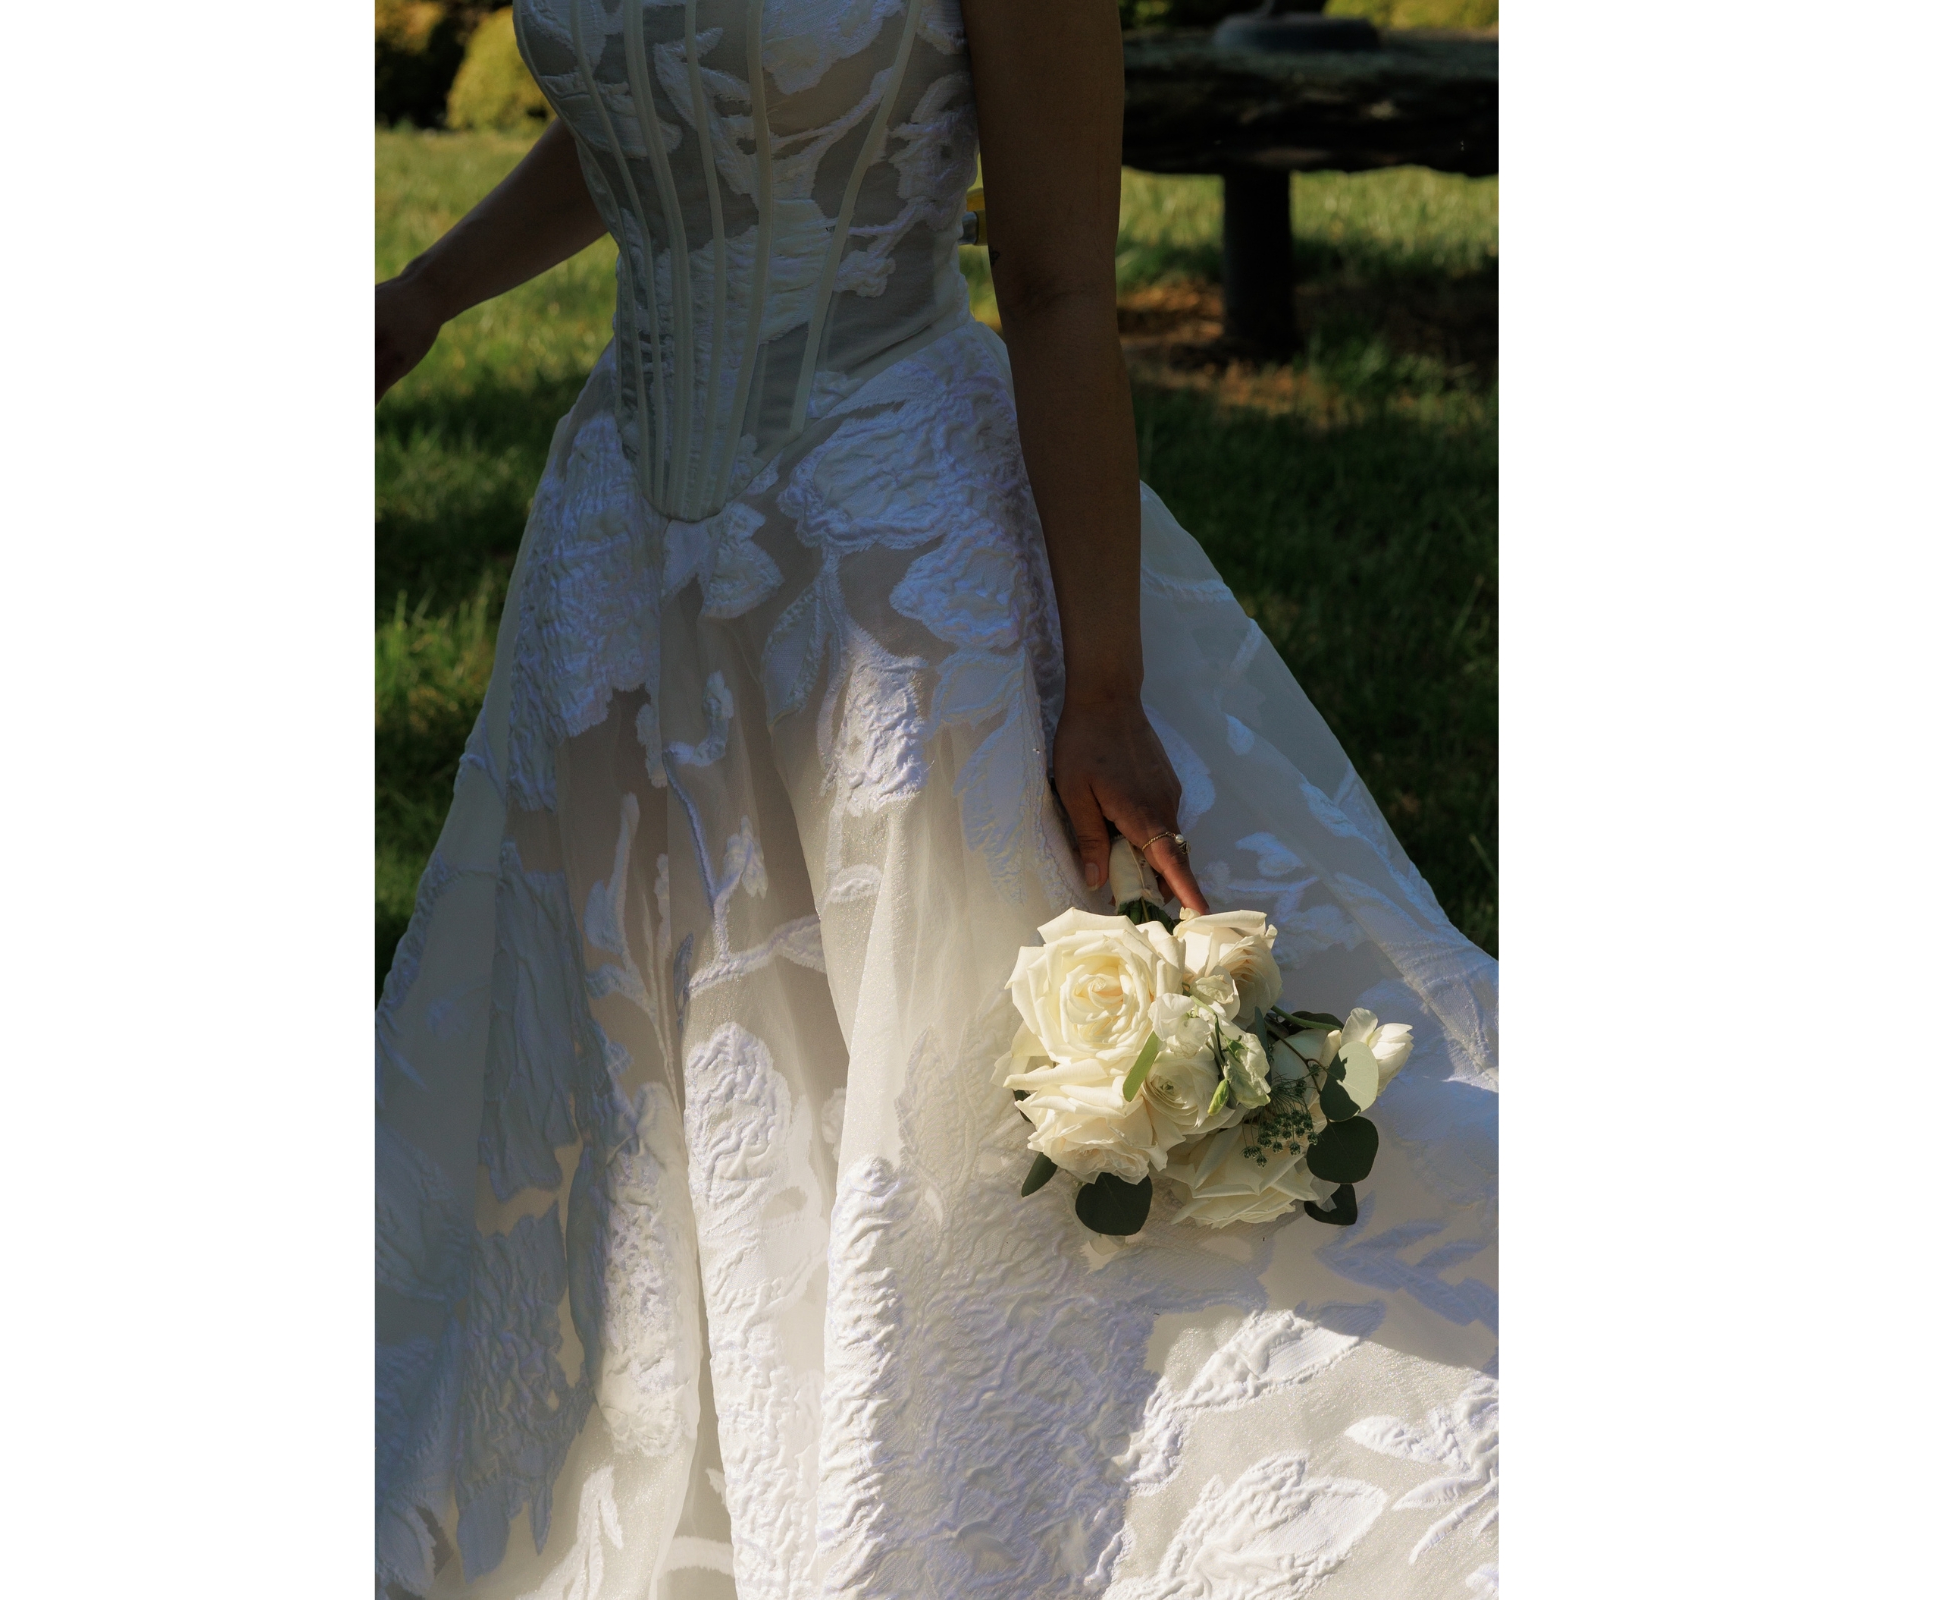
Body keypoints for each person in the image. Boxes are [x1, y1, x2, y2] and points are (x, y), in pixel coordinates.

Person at [374, 2, 1499, 1595]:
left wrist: (1100, 686)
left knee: (924, 1073)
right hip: (620, 559)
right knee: (627, 1066)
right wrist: (427, 293)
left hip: (889, 561)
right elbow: (661, 110)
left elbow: (1057, 288)